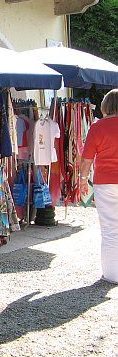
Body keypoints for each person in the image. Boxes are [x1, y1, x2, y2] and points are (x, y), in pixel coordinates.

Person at [80, 88, 118, 284]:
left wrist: (82, 180)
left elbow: (87, 160)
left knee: (111, 229)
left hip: (106, 183)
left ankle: (112, 274)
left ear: (105, 106)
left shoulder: (98, 127)